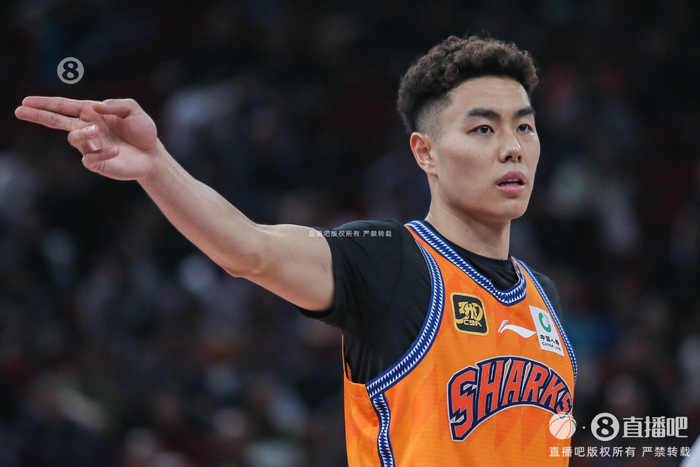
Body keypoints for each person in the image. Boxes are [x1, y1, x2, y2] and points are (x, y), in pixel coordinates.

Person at [16, 35, 576, 466]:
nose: (512, 148)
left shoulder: (542, 296)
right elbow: (250, 250)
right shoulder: (392, 260)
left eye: (524, 128)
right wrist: (157, 166)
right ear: (425, 152)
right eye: (483, 130)